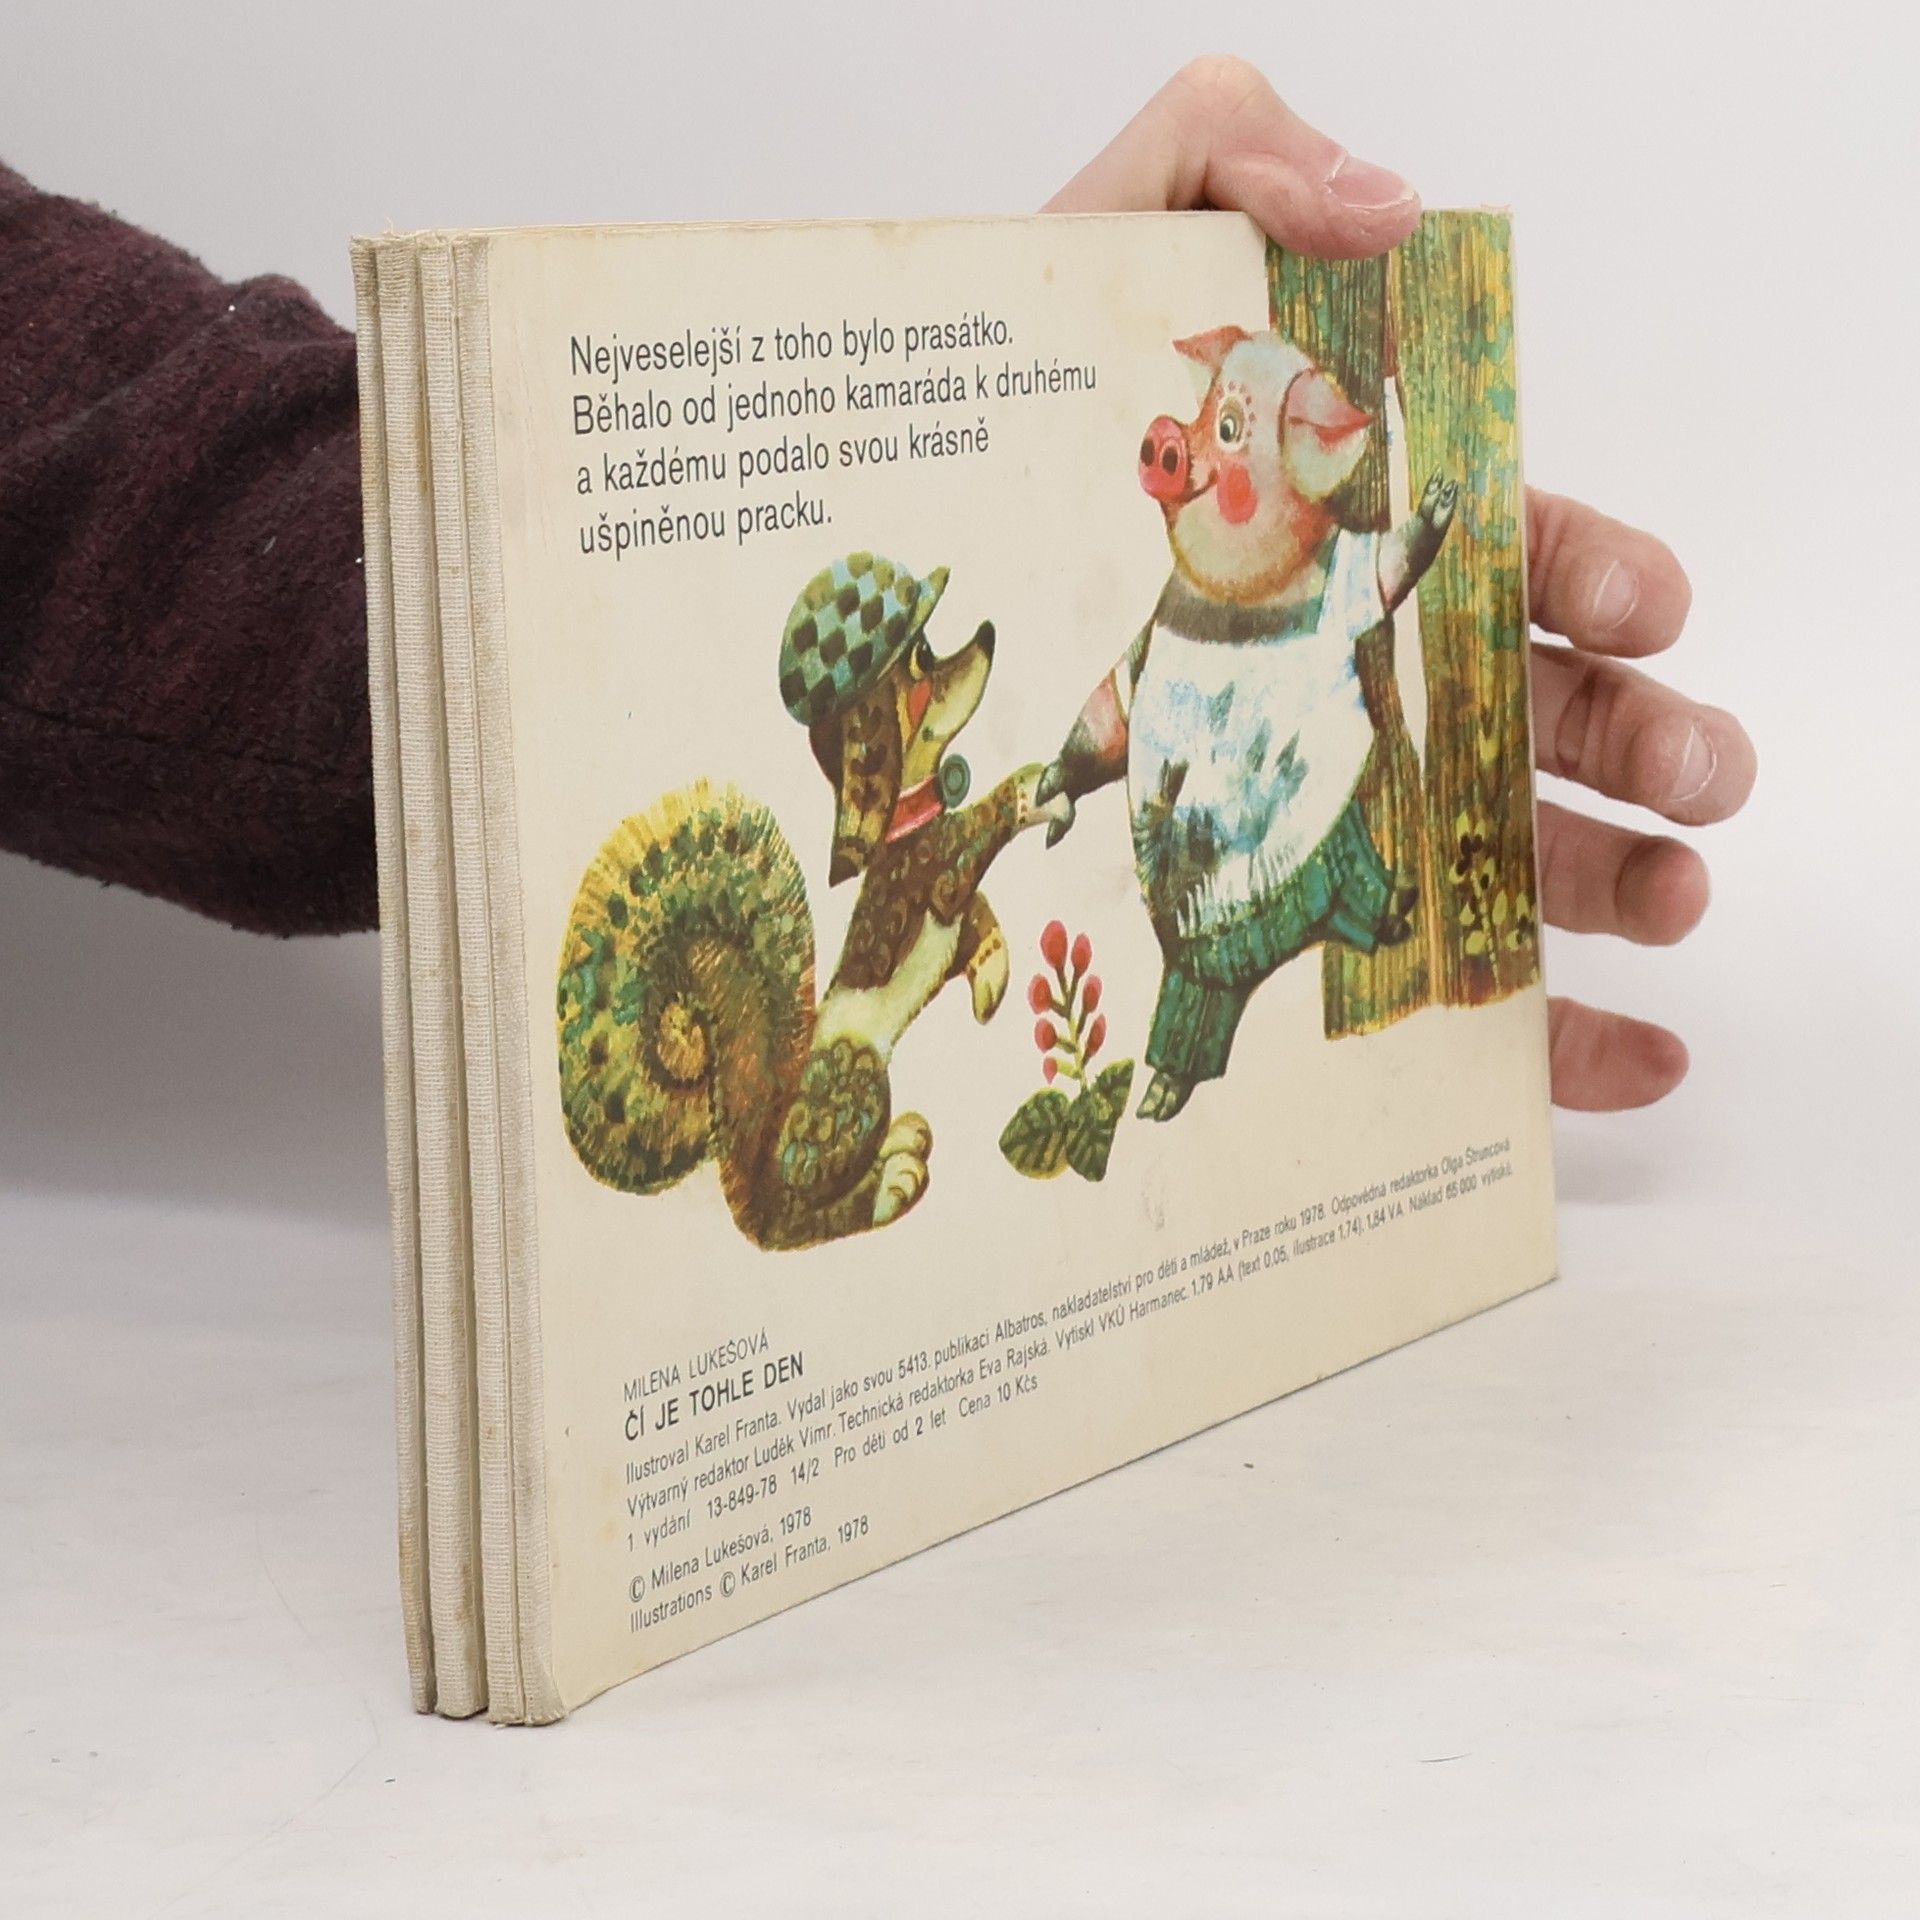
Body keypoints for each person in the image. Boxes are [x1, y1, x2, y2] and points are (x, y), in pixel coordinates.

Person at [0, 57, 1753, 1114]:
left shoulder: (1309, 560)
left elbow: (92, 425)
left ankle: (1316, 930)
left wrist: (961, 442)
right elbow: (1111, 712)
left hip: (1301, 812)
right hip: (1185, 852)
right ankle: (1192, 1036)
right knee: (1206, 975)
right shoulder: (1133, 642)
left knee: (1345, 886)